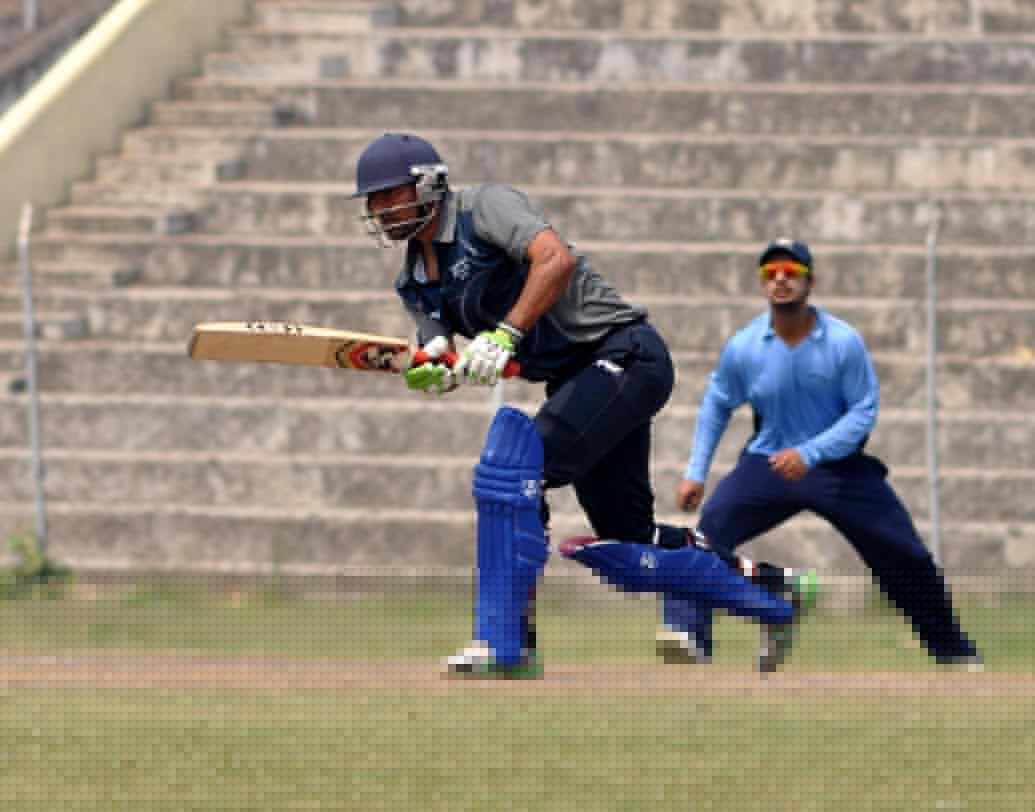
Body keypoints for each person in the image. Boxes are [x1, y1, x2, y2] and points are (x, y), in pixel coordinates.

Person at [352, 133, 816, 678]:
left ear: (428, 183)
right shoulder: (412, 281)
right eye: (374, 201)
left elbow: (555, 261)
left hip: (626, 354)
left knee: (512, 469)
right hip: (581, 380)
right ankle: (773, 595)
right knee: (630, 541)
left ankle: (508, 640)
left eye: (391, 195)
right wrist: (437, 368)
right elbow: (445, 350)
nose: (382, 210)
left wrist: (503, 335)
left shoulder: (486, 208)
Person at [660, 238, 982, 670]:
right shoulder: (745, 346)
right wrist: (695, 472)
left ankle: (954, 651)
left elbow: (863, 411)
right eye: (770, 272)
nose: (779, 279)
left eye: (790, 272)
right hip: (768, 463)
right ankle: (689, 634)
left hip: (839, 468)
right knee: (706, 535)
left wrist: (810, 454)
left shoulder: (843, 342)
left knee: (904, 553)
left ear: (810, 281)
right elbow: (717, 403)